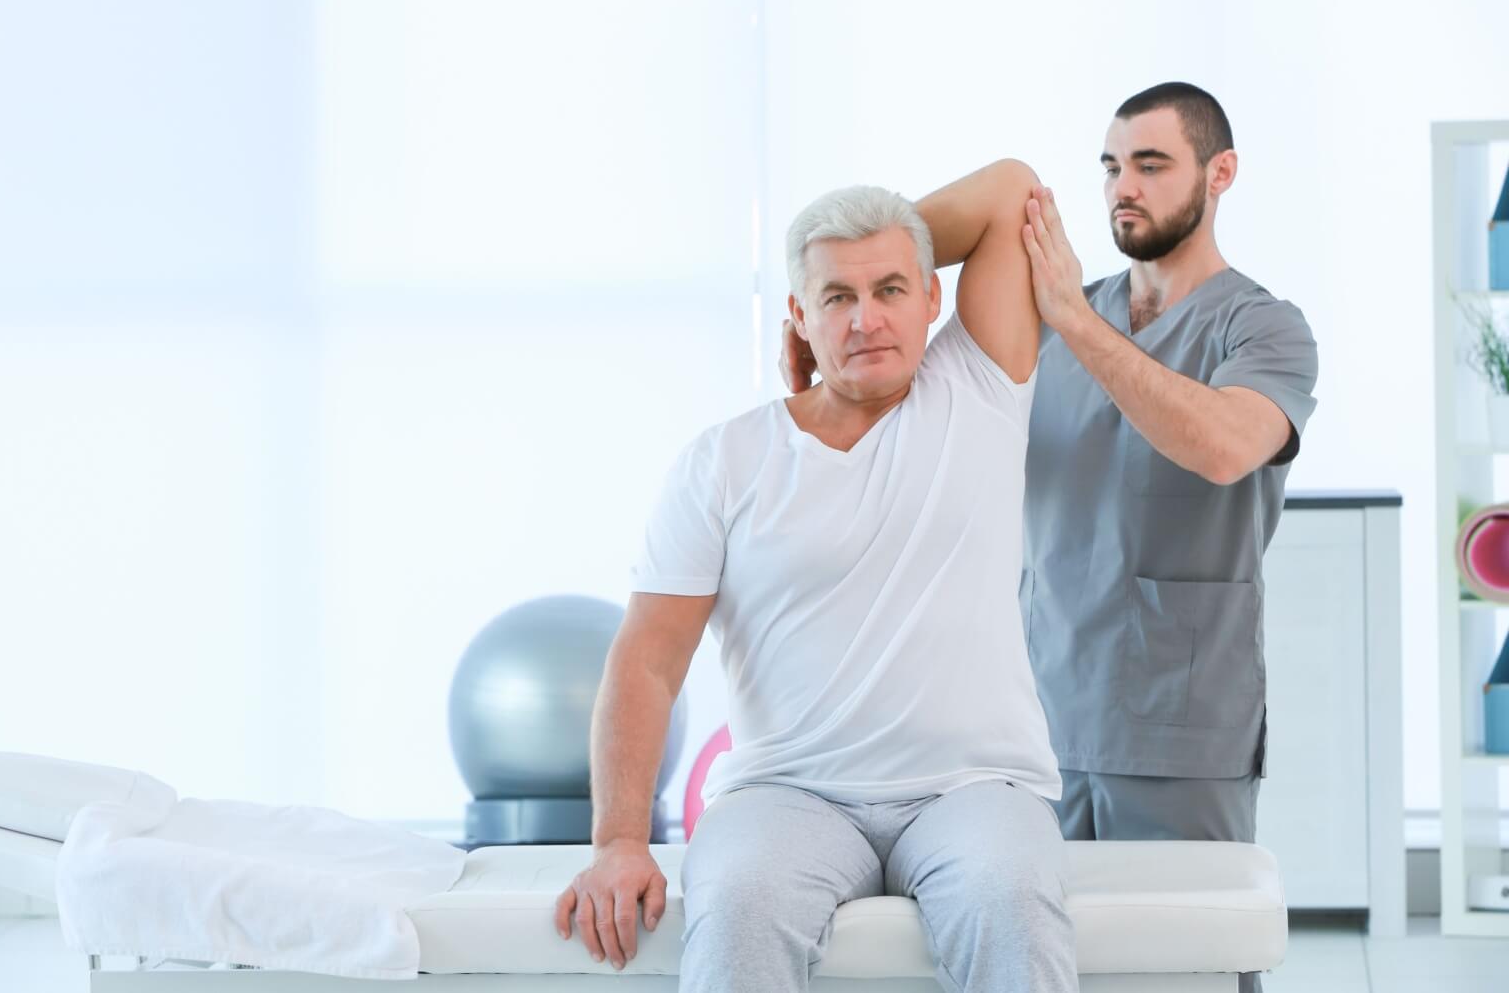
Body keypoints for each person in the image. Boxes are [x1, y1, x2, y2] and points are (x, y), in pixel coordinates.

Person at [785, 84, 1318, 993]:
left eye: (1152, 165)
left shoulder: (1262, 326)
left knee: (1184, 966)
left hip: (1179, 727)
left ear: (1220, 174)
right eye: (1112, 166)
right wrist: (839, 293)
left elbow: (1226, 447)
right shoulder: (1050, 309)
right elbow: (977, 219)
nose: (1125, 187)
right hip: (1031, 722)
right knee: (1044, 961)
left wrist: (1074, 318)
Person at [554, 160, 1078, 992]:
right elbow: (650, 658)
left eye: (891, 289)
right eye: (836, 298)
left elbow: (1011, 187)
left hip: (973, 792)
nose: (867, 318)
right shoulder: (723, 462)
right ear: (797, 316)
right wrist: (618, 840)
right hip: (785, 798)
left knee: (1010, 899)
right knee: (738, 908)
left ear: (933, 299)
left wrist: (873, 250)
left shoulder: (980, 386)